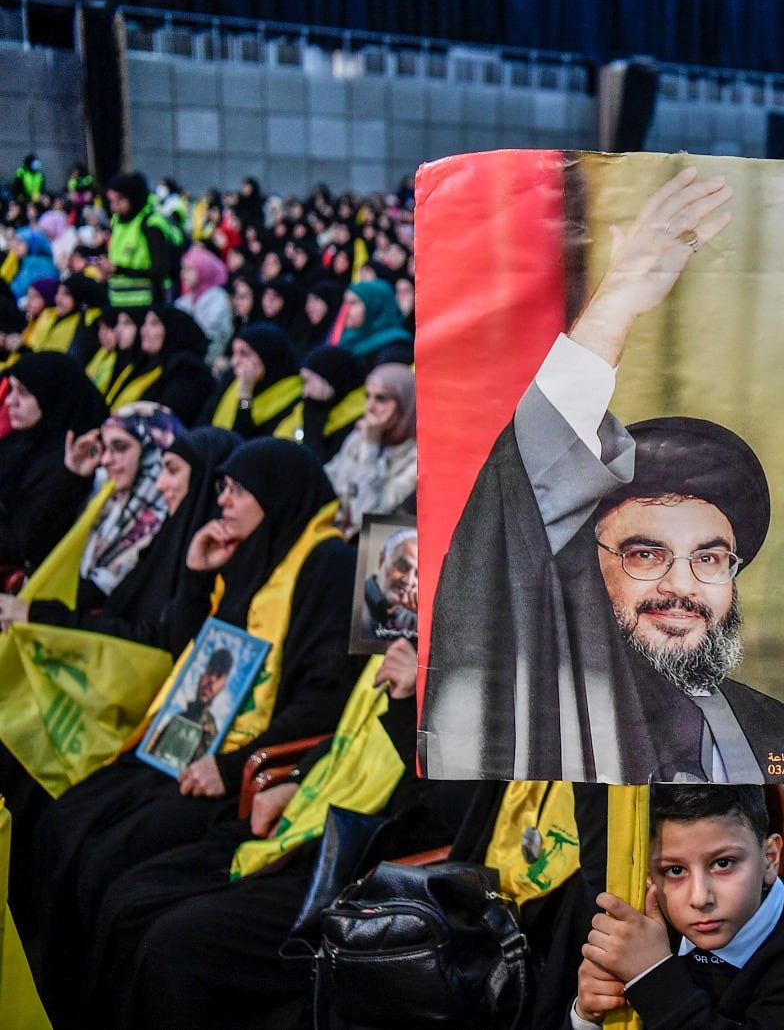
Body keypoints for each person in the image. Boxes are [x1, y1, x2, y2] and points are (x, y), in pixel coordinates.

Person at [423, 168, 784, 785]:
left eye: (712, 559)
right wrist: (616, 306)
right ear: (583, 563)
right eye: (645, 553)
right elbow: (521, 490)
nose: (681, 587)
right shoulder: (539, 714)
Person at [30, 438, 363, 1024]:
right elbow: (196, 658)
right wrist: (197, 575)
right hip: (196, 746)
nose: (224, 503)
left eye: (237, 490)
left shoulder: (328, 564)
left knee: (111, 862)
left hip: (247, 774)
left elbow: (322, 700)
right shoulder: (254, 552)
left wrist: (233, 768)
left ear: (276, 496)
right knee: (67, 820)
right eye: (222, 490)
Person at [81, 642, 476, 1030]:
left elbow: (443, 817)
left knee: (174, 943)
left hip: (357, 871)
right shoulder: (392, 633)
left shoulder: (484, 667)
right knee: (127, 893)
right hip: (304, 824)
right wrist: (296, 780)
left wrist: (410, 704)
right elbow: (345, 738)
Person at [573, 783, 784, 1029]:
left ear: (769, 858)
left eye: (723, 863)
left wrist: (653, 976)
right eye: (674, 870)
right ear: (650, 876)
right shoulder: (648, 927)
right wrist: (587, 1017)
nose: (699, 898)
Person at [4, 425, 240, 648]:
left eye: (172, 470)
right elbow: (35, 545)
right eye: (104, 448)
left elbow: (159, 641)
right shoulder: (164, 534)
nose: (160, 483)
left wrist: (244, 399)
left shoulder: (207, 550)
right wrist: (71, 479)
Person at [0, 351, 107, 569]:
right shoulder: (25, 439)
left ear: (53, 397)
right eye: (11, 389)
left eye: (24, 393)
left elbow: (25, 542)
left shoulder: (73, 458)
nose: (10, 401)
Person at [324, 361, 419, 536]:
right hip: (332, 535)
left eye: (381, 398)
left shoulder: (418, 458)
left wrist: (370, 447)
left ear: (406, 402)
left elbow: (366, 518)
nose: (370, 407)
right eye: (367, 396)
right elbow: (326, 482)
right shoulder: (360, 436)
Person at [109, 306, 214, 422]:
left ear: (172, 330)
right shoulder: (147, 365)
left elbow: (166, 417)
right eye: (145, 323)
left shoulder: (189, 371)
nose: (144, 330)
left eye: (154, 324)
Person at [207, 322, 305, 438]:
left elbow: (241, 438)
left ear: (267, 357)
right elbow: (204, 422)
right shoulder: (232, 379)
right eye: (234, 353)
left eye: (244, 354)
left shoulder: (294, 398)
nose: (234, 362)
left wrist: (245, 397)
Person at [103, 171, 183, 310]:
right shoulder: (118, 222)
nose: (114, 206)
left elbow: (161, 269)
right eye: (111, 201)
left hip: (147, 304)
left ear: (132, 198)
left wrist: (119, 270)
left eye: (119, 200)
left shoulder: (151, 225)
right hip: (119, 302)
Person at [359, 526, 419, 644]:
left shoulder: (416, 616)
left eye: (418, 574)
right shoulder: (354, 602)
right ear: (382, 560)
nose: (409, 581)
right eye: (402, 567)